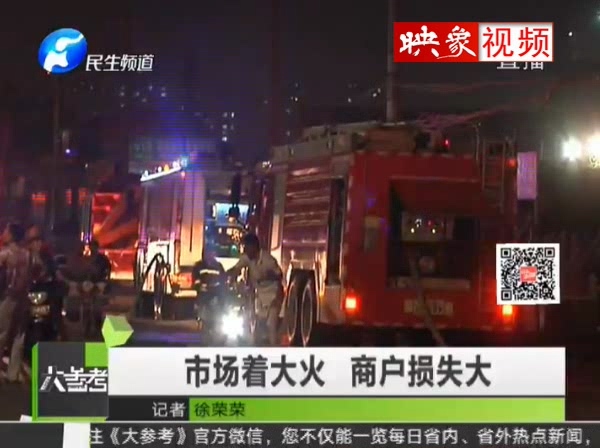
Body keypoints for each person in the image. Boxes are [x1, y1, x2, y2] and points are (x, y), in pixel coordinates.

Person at [226, 233, 283, 346]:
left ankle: (274, 350)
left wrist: (268, 277)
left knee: (271, 326)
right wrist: (229, 276)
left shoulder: (268, 260)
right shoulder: (247, 258)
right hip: (259, 297)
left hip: (273, 296)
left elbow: (279, 276)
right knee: (257, 327)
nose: (245, 250)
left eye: (247, 247)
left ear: (254, 247)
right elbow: (237, 268)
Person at [0, 222, 31, 382]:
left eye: (6, 231)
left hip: (8, 297)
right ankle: (13, 373)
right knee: (19, 335)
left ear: (12, 235)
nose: (3, 233)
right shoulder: (27, 254)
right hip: (23, 298)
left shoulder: (5, 254)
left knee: (2, 333)